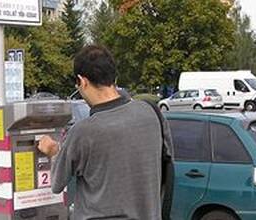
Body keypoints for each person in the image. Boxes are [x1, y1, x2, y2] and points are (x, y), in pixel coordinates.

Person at [38, 45, 173, 220]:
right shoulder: (151, 113)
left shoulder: (84, 131)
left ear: (82, 81)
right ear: (113, 77)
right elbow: (167, 165)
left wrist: (53, 152)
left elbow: (57, 184)